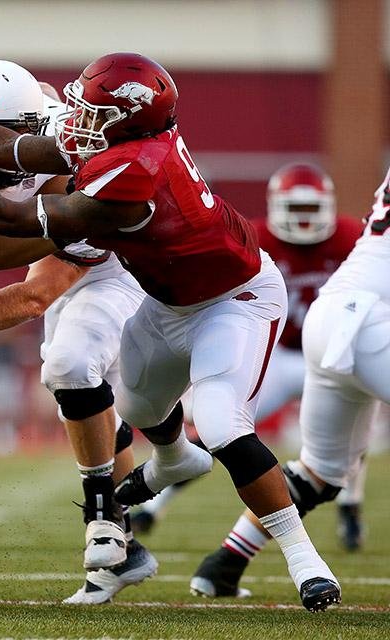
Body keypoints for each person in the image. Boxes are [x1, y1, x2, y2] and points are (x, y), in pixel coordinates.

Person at [0, 52, 341, 611]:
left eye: (92, 110)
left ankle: (306, 561)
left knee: (219, 422)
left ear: (125, 120)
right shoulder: (117, 139)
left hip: (234, 300)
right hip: (166, 303)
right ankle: (171, 459)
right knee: (139, 409)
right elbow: (18, 148)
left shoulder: (132, 172)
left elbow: (9, 224)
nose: (77, 118)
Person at [0, 59, 157, 605]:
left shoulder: (67, 169)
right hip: (53, 257)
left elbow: (35, 293)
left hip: (112, 267)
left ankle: (106, 516)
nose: (4, 150)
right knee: (77, 395)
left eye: (19, 138)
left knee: (69, 364)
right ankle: (124, 545)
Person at [133, 164, 366, 551]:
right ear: (276, 207)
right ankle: (156, 506)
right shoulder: (253, 236)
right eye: (295, 210)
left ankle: (350, 506)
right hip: (276, 356)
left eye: (310, 210)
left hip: (326, 356)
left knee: (346, 435)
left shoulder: (351, 239)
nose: (303, 220)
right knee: (219, 430)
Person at [188, 164, 390, 599]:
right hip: (369, 322)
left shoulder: (346, 234)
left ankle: (224, 564)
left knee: (320, 472)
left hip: (331, 318)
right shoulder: (262, 234)